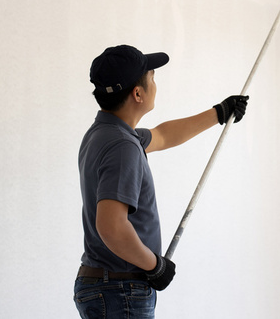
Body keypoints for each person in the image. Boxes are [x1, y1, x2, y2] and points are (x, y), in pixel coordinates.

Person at [74, 45, 249, 319]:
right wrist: (155, 266)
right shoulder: (122, 145)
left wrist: (219, 112)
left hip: (107, 285)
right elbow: (111, 227)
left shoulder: (105, 133)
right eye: (152, 77)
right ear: (138, 93)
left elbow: (163, 135)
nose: (155, 83)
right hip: (121, 288)